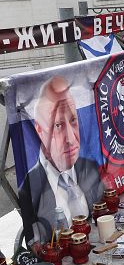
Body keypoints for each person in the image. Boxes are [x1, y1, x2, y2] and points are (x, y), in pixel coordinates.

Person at [18, 76, 104, 244]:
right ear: (39, 131)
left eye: (73, 120)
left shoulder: (90, 168)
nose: (71, 139)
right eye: (58, 125)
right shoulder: (29, 187)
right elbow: (37, 244)